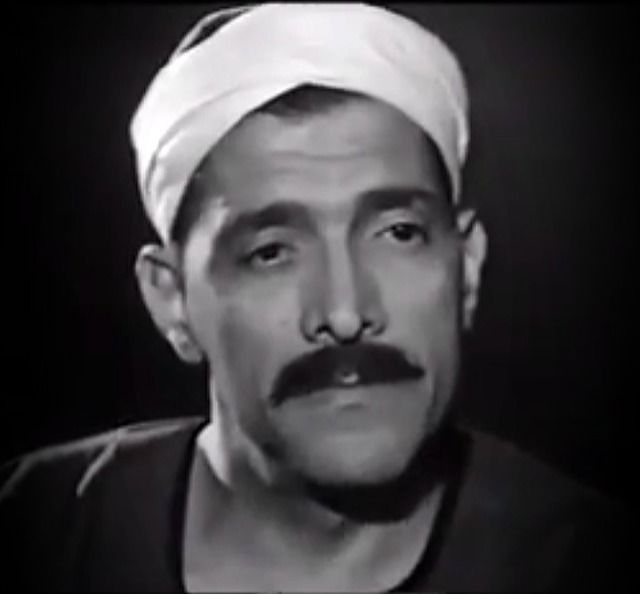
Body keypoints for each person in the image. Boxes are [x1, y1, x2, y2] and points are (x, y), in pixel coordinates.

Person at [0, 3, 632, 592]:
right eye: (271, 252)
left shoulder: (582, 561)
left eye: (399, 233)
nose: (345, 313)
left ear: (465, 267)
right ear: (173, 301)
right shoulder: (39, 525)